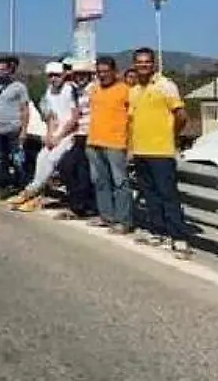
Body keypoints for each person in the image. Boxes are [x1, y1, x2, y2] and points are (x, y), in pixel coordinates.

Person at [128, 47, 192, 260]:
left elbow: (181, 115)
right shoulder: (134, 90)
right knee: (150, 195)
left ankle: (179, 237)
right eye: (139, 62)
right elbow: (132, 121)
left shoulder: (166, 86)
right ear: (134, 65)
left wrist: (172, 136)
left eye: (146, 62)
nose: (143, 65)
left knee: (168, 195)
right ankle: (159, 232)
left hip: (162, 152)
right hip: (140, 151)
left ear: (153, 64)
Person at [10, 62, 78, 212]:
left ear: (64, 75)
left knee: (53, 159)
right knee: (42, 157)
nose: (54, 79)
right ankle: (33, 192)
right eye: (51, 76)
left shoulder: (70, 89)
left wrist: (59, 136)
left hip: (70, 133)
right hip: (55, 132)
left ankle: (33, 192)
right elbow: (51, 116)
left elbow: (74, 117)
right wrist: (49, 134)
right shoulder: (49, 91)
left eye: (57, 75)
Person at [86, 56, 132, 233]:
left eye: (106, 72)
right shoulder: (95, 90)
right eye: (99, 72)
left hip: (116, 144)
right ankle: (106, 216)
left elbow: (132, 119)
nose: (103, 75)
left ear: (114, 72)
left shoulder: (125, 90)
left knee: (120, 183)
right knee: (100, 181)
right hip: (94, 142)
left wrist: (130, 146)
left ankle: (123, 220)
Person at [55, 59, 98, 220]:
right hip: (79, 134)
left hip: (91, 134)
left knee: (82, 171)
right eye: (77, 74)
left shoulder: (94, 89)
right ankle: (79, 204)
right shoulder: (76, 91)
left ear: (90, 75)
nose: (80, 77)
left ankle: (82, 206)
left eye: (83, 74)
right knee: (67, 167)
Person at [0, 57, 31, 199]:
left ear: (9, 70)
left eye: (2, 70)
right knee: (0, 161)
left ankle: (23, 189)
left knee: (18, 161)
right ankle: (4, 188)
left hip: (14, 130)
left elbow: (25, 110)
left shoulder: (19, 87)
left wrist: (24, 130)